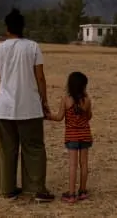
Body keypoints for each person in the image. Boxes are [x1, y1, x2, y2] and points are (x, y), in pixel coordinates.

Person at [0, 8, 55, 202]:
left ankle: (8, 189)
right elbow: (40, 77)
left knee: (8, 149)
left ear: (7, 28)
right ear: (22, 27)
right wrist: (44, 102)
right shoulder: (33, 47)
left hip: (4, 109)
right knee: (34, 148)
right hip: (30, 108)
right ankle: (36, 189)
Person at [46, 71, 93, 204]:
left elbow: (59, 117)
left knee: (72, 165)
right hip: (85, 135)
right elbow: (89, 116)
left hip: (72, 136)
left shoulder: (66, 99)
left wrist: (48, 116)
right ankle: (83, 191)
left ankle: (71, 194)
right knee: (84, 164)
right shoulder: (87, 99)